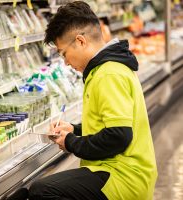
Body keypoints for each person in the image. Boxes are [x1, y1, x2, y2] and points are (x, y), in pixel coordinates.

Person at [27, 1, 158, 200]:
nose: (66, 62)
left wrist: (71, 143)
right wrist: (75, 130)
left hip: (123, 176)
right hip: (117, 170)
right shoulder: (104, 70)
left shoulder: (108, 74)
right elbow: (109, 125)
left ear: (80, 41)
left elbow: (119, 136)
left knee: (42, 190)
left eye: (64, 53)